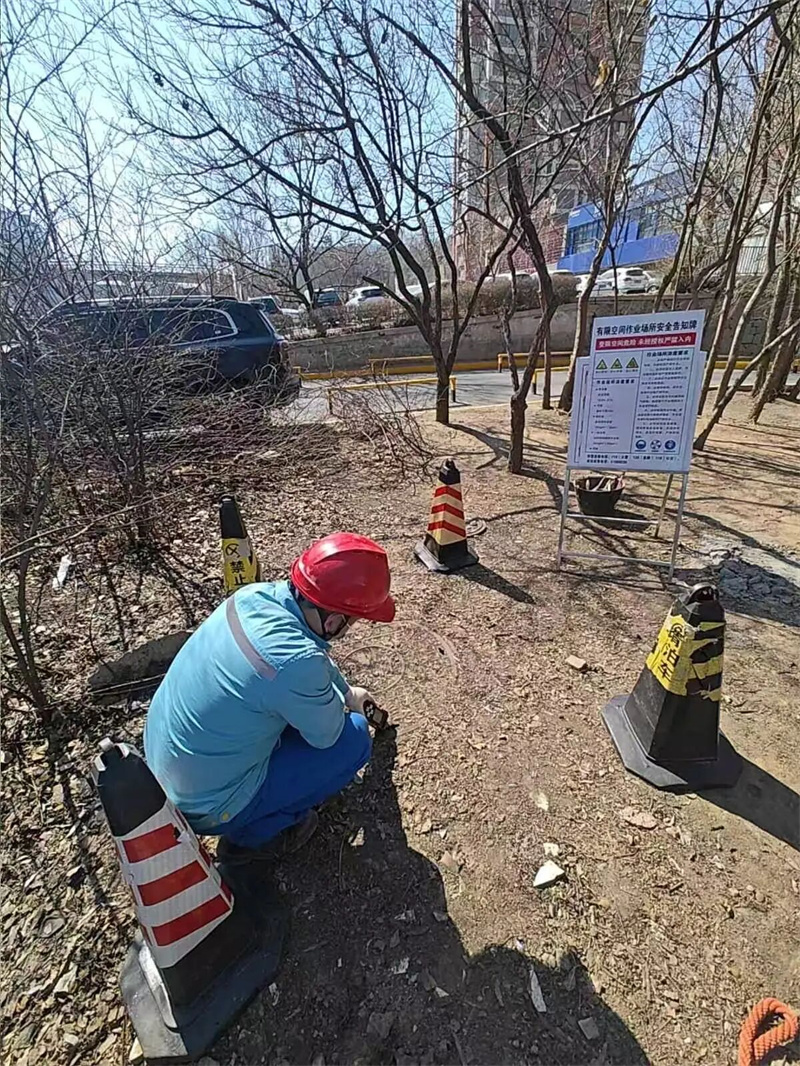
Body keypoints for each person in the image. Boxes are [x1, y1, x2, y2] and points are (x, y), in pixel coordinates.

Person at [144, 532, 395, 860]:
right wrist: (347, 706)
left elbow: (307, 658)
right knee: (354, 739)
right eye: (354, 621)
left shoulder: (253, 596)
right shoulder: (297, 663)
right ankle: (251, 838)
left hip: (163, 767)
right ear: (334, 621)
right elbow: (326, 736)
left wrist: (347, 692)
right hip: (206, 805)